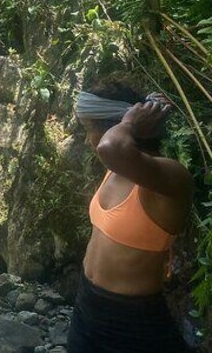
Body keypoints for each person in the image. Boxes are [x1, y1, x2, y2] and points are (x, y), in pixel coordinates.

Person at [68, 80, 193, 352]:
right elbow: (113, 149)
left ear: (116, 127)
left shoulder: (170, 178)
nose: (88, 139)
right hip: (86, 304)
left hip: (131, 321)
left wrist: (129, 124)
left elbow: (110, 147)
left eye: (90, 129)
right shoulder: (117, 169)